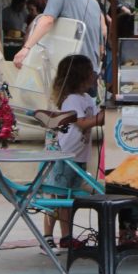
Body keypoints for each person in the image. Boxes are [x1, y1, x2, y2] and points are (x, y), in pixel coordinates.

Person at [42, 54, 104, 251]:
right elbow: (83, 122)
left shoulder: (86, 98)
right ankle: (52, 235)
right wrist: (102, 117)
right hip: (63, 155)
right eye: (90, 73)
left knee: (68, 196)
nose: (94, 76)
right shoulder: (72, 100)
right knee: (57, 196)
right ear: (81, 76)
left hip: (77, 154)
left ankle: (65, 235)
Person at [14, 0, 105, 75]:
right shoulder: (94, 3)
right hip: (91, 69)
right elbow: (101, 46)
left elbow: (47, 21)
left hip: (71, 69)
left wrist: (26, 48)